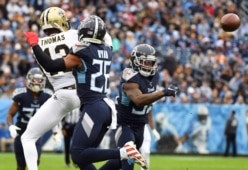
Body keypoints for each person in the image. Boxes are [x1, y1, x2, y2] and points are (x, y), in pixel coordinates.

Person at [24, 15, 148, 170]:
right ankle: (124, 153)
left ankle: (124, 152)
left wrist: (35, 45)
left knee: (77, 154)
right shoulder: (107, 50)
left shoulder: (82, 53)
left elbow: (51, 66)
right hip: (105, 107)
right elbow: (105, 37)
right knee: (85, 159)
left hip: (93, 108)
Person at [99, 44, 179, 170]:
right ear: (135, 61)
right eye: (145, 62)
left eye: (151, 63)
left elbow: (149, 102)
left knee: (119, 161)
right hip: (126, 127)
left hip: (140, 127)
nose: (149, 65)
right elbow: (138, 100)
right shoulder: (129, 75)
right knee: (128, 164)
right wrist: (163, 92)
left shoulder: (155, 76)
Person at [21, 7, 81, 170]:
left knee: (27, 137)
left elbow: (47, 65)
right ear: (60, 21)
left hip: (61, 95)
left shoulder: (37, 44)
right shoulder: (74, 34)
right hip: (84, 92)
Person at [6, 67, 52, 170]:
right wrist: (11, 126)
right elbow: (10, 114)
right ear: (29, 80)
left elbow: (54, 114)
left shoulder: (47, 96)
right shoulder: (21, 95)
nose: (37, 83)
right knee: (21, 165)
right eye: (34, 80)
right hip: (21, 132)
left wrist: (56, 130)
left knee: (36, 161)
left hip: (35, 133)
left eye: (39, 80)